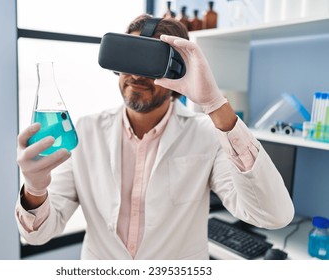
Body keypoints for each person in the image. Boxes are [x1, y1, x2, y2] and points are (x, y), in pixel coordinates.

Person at [15, 14, 294, 260]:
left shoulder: (208, 135)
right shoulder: (87, 132)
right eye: (130, 57)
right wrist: (35, 190)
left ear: (179, 71)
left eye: (150, 62)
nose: (136, 74)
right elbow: (38, 235)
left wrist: (214, 103)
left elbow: (272, 215)